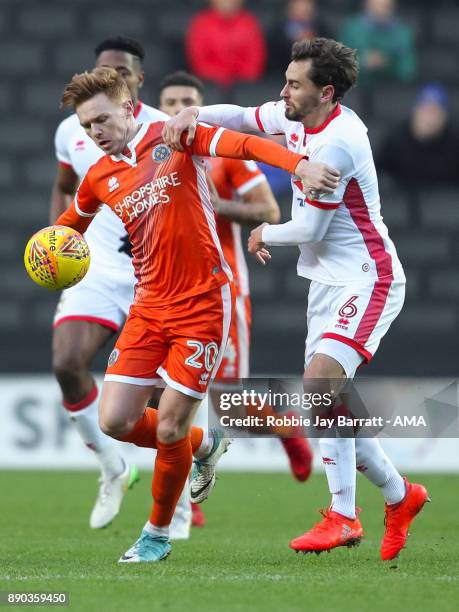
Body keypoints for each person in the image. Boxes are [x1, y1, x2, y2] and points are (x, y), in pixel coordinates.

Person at [162, 37, 429, 561]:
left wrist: (264, 231)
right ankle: (401, 496)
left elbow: (310, 226)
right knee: (331, 402)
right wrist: (194, 110)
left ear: (326, 92)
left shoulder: (340, 142)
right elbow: (240, 116)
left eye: (294, 83)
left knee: (320, 387)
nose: (283, 90)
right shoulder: (292, 114)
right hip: (326, 282)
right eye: (285, 79)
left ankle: (344, 517)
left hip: (366, 276)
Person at [52, 66, 328, 563]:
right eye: (86, 126)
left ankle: (156, 534)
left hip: (203, 302)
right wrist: (47, 249)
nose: (94, 132)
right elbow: (69, 227)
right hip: (148, 305)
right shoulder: (98, 176)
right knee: (115, 421)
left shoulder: (173, 134)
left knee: (168, 428)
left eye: (100, 120)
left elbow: (243, 146)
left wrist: (297, 164)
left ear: (129, 108)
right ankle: (207, 442)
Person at [50, 36, 192, 537]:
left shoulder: (165, 129)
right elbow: (68, 188)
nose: (110, 75)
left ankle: (174, 508)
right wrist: (58, 251)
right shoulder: (74, 129)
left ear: (136, 82)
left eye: (121, 71)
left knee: (154, 406)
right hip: (96, 271)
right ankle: (112, 467)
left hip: (155, 276)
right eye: (102, 69)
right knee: (67, 363)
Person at [158, 71, 315, 502]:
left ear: (199, 106)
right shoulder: (150, 157)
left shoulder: (223, 153)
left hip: (218, 288)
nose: (176, 110)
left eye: (186, 101)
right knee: (159, 398)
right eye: (169, 102)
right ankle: (186, 502)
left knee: (225, 401)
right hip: (164, 291)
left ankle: (285, 428)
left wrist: (212, 203)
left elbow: (268, 209)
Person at [378, 83, 459, 189]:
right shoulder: (396, 138)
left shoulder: (454, 143)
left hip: (444, 202)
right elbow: (377, 171)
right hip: (403, 200)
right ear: (415, 111)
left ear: (444, 117)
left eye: (435, 112)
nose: (429, 118)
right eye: (425, 110)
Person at [186, 0, 266, 89]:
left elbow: (255, 59)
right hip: (210, 84)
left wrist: (239, 78)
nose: (227, 2)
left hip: (244, 86)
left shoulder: (249, 22)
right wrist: (221, 77)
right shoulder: (201, 23)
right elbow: (199, 60)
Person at [339, 0, 416, 86]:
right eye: (377, 6)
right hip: (357, 90)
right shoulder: (352, 29)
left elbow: (408, 71)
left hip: (392, 90)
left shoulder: (402, 33)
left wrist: (388, 64)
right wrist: (363, 63)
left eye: (386, 6)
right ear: (367, 4)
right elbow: (341, 66)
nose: (382, 11)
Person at [269, 0, 331, 75]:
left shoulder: (322, 30)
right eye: (299, 5)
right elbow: (273, 60)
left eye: (307, 5)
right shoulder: (277, 31)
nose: (304, 8)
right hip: (281, 77)